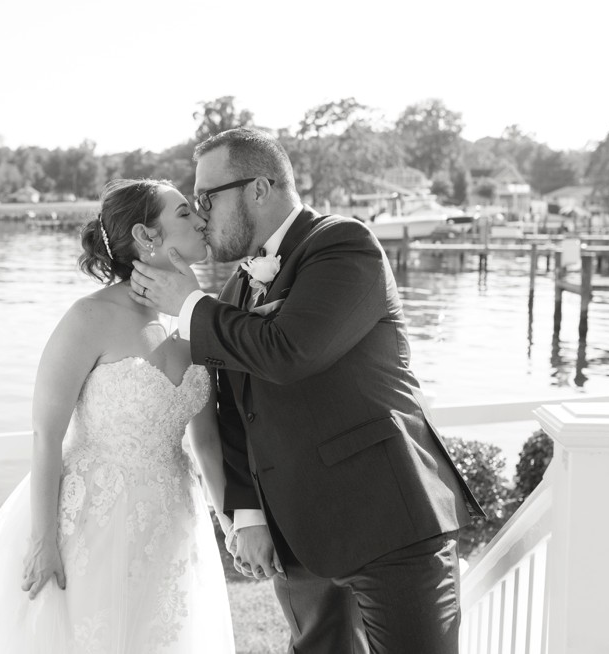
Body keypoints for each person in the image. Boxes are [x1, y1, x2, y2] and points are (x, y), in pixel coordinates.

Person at [130, 128, 484, 654]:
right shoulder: (237, 288)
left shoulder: (343, 245)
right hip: (297, 539)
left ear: (259, 188)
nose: (201, 214)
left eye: (208, 197)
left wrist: (190, 305)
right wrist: (247, 515)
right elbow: (233, 412)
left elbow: (291, 352)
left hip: (388, 522)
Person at [0, 178, 235, 653]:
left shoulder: (202, 318)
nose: (200, 218)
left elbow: (207, 440)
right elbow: (45, 434)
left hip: (174, 515)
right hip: (92, 519)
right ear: (146, 236)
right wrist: (44, 538)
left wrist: (233, 523)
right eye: (183, 213)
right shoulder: (88, 318)